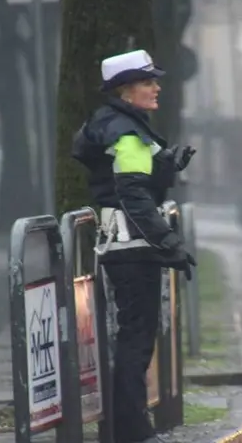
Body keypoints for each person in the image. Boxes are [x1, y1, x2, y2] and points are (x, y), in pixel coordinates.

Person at [72, 49, 196, 443]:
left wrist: (167, 164)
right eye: (147, 82)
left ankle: (125, 426)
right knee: (136, 338)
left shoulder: (120, 124)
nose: (156, 88)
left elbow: (132, 181)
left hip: (128, 245)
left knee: (134, 336)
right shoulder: (125, 132)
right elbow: (133, 195)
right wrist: (169, 242)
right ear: (126, 91)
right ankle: (132, 431)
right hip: (132, 247)